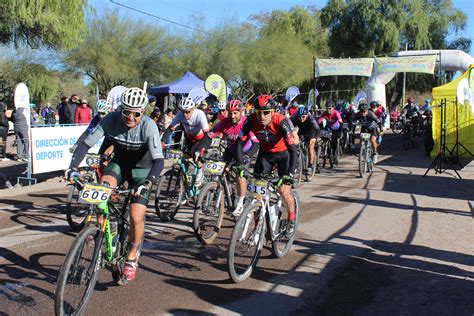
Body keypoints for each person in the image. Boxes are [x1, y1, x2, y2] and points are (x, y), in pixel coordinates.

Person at [66, 87, 164, 285]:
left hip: (142, 171)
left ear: (142, 112)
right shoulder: (110, 119)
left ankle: (132, 256)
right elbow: (86, 144)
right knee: (102, 190)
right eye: (126, 111)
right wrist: (72, 168)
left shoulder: (149, 125)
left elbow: (159, 161)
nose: (130, 117)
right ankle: (103, 229)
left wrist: (148, 182)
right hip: (119, 164)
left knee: (136, 215)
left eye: (135, 113)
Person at [236, 94, 297, 238]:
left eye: (266, 113)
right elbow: (239, 143)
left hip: (284, 155)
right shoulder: (250, 120)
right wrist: (240, 164)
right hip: (265, 156)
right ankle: (258, 227)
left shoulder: (281, 122)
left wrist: (290, 174)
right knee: (257, 194)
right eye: (258, 112)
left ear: (273, 112)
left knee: (283, 191)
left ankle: (291, 219)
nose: (262, 116)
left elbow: (293, 150)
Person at [208, 99, 260, 216]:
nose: (232, 116)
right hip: (230, 149)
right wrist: (200, 149)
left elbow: (256, 143)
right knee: (222, 171)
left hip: (244, 152)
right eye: (230, 112)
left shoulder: (246, 123)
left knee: (239, 175)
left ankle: (240, 203)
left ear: (241, 111)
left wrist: (247, 156)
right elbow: (209, 136)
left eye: (235, 113)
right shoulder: (225, 122)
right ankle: (229, 193)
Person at [162, 97, 211, 188]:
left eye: (187, 112)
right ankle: (185, 188)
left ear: (193, 109)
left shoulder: (199, 114)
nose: (185, 114)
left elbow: (207, 135)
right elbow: (170, 128)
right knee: (184, 161)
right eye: (183, 111)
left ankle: (200, 174)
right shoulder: (180, 115)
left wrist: (201, 149)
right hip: (189, 138)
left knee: (197, 156)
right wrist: (163, 141)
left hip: (202, 139)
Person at [291, 106, 320, 173]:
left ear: (307, 115)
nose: (301, 118)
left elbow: (318, 129)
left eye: (303, 116)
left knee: (310, 145)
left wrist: (315, 138)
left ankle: (311, 166)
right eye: (300, 116)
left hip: (311, 131)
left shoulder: (311, 118)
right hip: (301, 130)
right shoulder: (295, 116)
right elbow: (288, 125)